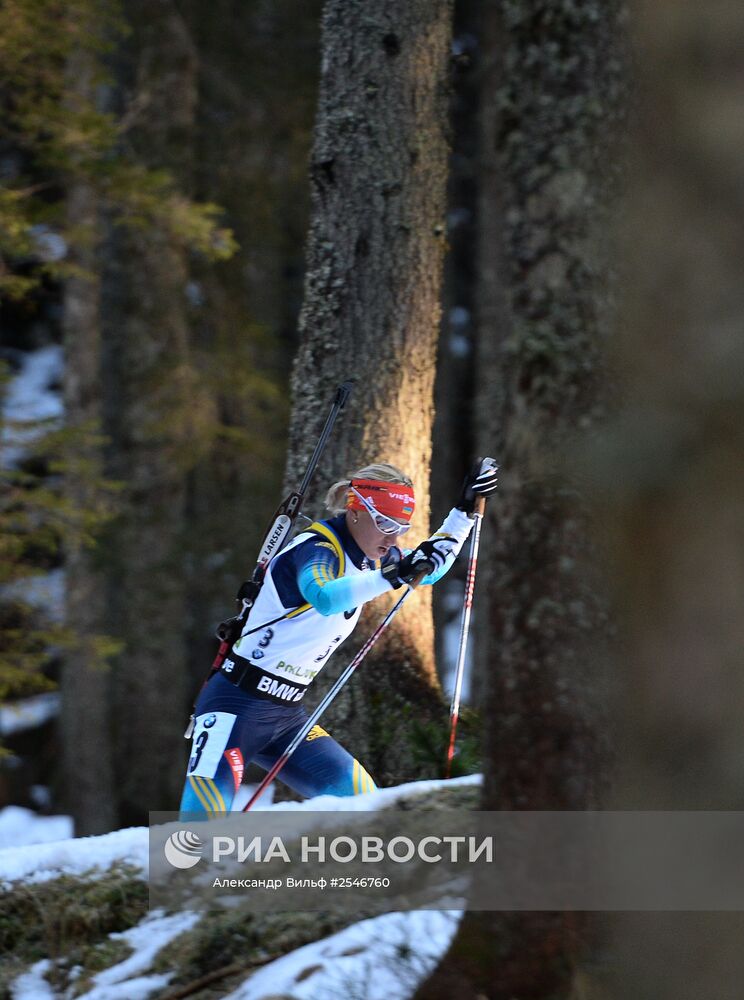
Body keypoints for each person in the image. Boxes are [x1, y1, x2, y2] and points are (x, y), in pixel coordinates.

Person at [179, 459, 497, 816]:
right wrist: (395, 574)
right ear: (356, 511)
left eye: (401, 527)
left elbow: (428, 570)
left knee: (366, 803)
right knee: (198, 829)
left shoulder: (373, 555)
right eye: (385, 523)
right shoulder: (316, 550)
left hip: (286, 716)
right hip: (235, 706)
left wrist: (463, 514)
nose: (393, 537)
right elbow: (325, 596)